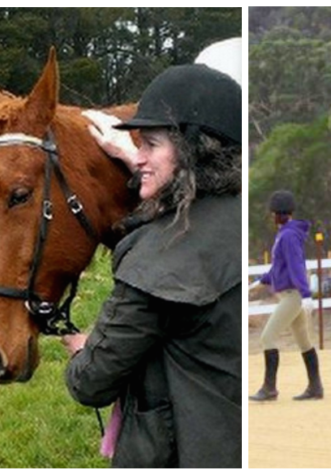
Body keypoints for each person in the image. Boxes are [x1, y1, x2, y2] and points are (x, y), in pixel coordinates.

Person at [63, 64, 241, 468]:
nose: (139, 158)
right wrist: (133, 157)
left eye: (151, 144)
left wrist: (85, 351)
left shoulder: (158, 259)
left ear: (196, 148)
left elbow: (90, 384)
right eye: (137, 146)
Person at [248, 190, 323, 402]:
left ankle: (269, 388)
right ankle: (315, 387)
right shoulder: (286, 233)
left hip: (293, 296)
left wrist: (306, 294)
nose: (272, 217)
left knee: (267, 337)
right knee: (304, 341)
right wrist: (260, 281)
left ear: (280, 214)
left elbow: (296, 266)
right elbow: (279, 267)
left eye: (274, 213)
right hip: (290, 295)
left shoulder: (288, 235)